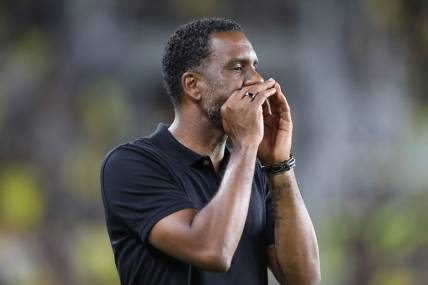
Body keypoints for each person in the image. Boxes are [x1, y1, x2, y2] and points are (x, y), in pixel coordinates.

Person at [100, 18, 320, 285]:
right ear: (193, 85)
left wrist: (279, 165)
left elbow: (304, 278)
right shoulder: (133, 164)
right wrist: (246, 146)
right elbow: (211, 250)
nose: (257, 80)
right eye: (238, 68)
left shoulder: (251, 170)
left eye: (255, 67)